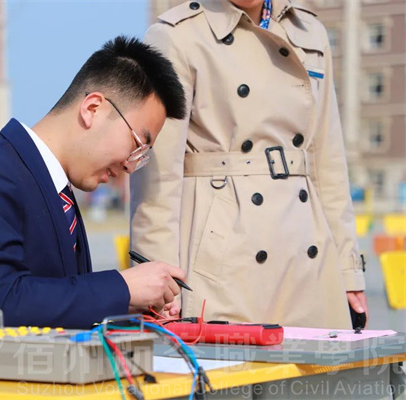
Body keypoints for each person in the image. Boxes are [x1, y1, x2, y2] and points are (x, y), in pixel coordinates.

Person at [0, 36, 187, 371]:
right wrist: (122, 287)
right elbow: (0, 304)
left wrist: (130, 304)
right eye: (137, 145)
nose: (130, 166)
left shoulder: (59, 190)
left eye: (143, 156)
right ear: (92, 109)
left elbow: (56, 303)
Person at [130, 0, 367, 329]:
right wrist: (159, 284)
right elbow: (157, 179)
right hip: (223, 257)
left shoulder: (309, 31)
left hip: (306, 250)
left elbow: (328, 162)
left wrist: (348, 269)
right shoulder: (177, 35)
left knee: (315, 361)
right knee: (227, 362)